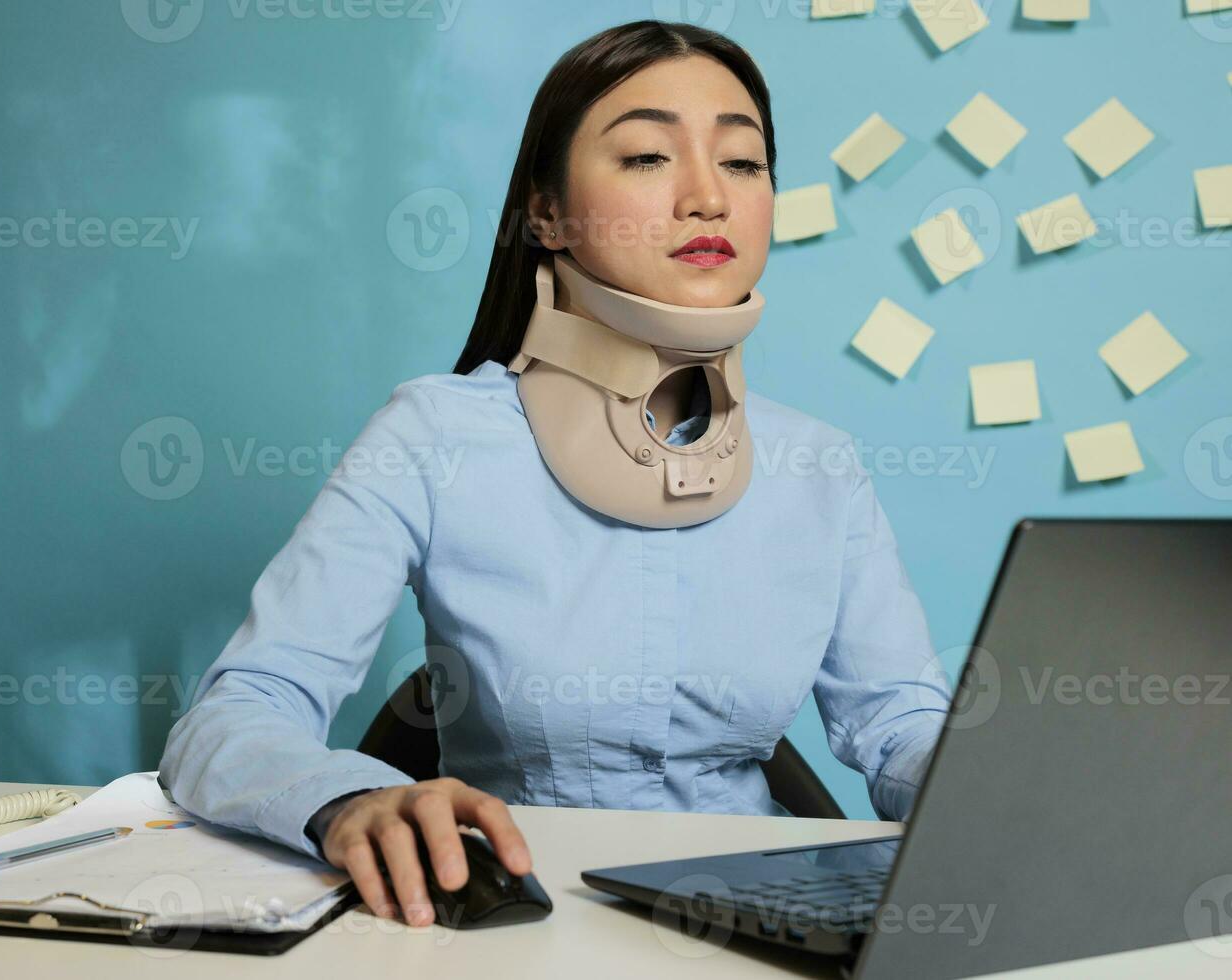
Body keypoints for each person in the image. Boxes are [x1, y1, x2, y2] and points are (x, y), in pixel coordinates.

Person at [159, 19, 953, 929]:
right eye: (649, 157)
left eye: (742, 162)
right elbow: (236, 714)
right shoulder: (434, 437)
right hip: (525, 919)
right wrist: (345, 799)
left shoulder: (818, 467)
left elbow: (900, 727)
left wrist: (1014, 791)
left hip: (757, 923)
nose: (708, 198)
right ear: (545, 212)